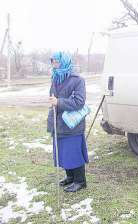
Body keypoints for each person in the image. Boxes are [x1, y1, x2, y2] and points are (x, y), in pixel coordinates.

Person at [47, 52, 88, 192]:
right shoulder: (55, 78)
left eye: (57, 62)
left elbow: (79, 102)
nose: (54, 65)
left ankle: (80, 181)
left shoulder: (77, 80)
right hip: (58, 122)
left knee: (73, 152)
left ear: (64, 62)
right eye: (53, 62)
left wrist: (59, 102)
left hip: (72, 124)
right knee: (62, 152)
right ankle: (70, 177)